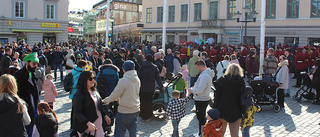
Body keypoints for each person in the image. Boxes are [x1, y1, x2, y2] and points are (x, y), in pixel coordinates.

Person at [102, 60, 141, 137]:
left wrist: (105, 101)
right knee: (133, 132)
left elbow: (115, 95)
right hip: (135, 109)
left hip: (124, 110)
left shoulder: (123, 81)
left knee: (119, 133)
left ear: (124, 69)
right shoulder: (137, 80)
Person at [73, 71, 111, 137]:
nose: (93, 80)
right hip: (87, 128)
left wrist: (105, 115)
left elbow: (99, 106)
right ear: (84, 80)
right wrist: (88, 123)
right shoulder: (79, 94)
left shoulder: (94, 91)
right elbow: (77, 113)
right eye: (90, 79)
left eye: (94, 78)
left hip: (99, 127)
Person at [213, 64, 245, 137]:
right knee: (235, 135)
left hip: (222, 109)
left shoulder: (221, 80)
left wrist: (215, 109)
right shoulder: (240, 81)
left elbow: (217, 97)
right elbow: (243, 96)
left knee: (220, 134)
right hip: (236, 109)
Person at [14, 52, 40, 136]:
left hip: (35, 106)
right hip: (26, 107)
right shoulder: (19, 75)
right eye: (33, 63)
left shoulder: (33, 73)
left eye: (36, 64)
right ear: (27, 63)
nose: (35, 65)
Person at [188, 60, 214, 137]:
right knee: (201, 117)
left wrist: (191, 90)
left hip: (201, 98)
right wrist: (195, 87)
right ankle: (201, 132)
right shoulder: (205, 74)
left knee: (201, 117)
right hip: (202, 98)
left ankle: (202, 133)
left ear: (200, 66)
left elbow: (200, 90)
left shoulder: (204, 76)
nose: (197, 69)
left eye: (197, 67)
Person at [138, 55, 164, 120]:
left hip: (142, 87)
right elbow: (158, 78)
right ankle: (149, 114)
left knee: (143, 101)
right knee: (149, 101)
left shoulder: (141, 67)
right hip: (151, 87)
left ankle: (142, 114)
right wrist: (161, 86)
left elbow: (138, 77)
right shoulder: (154, 67)